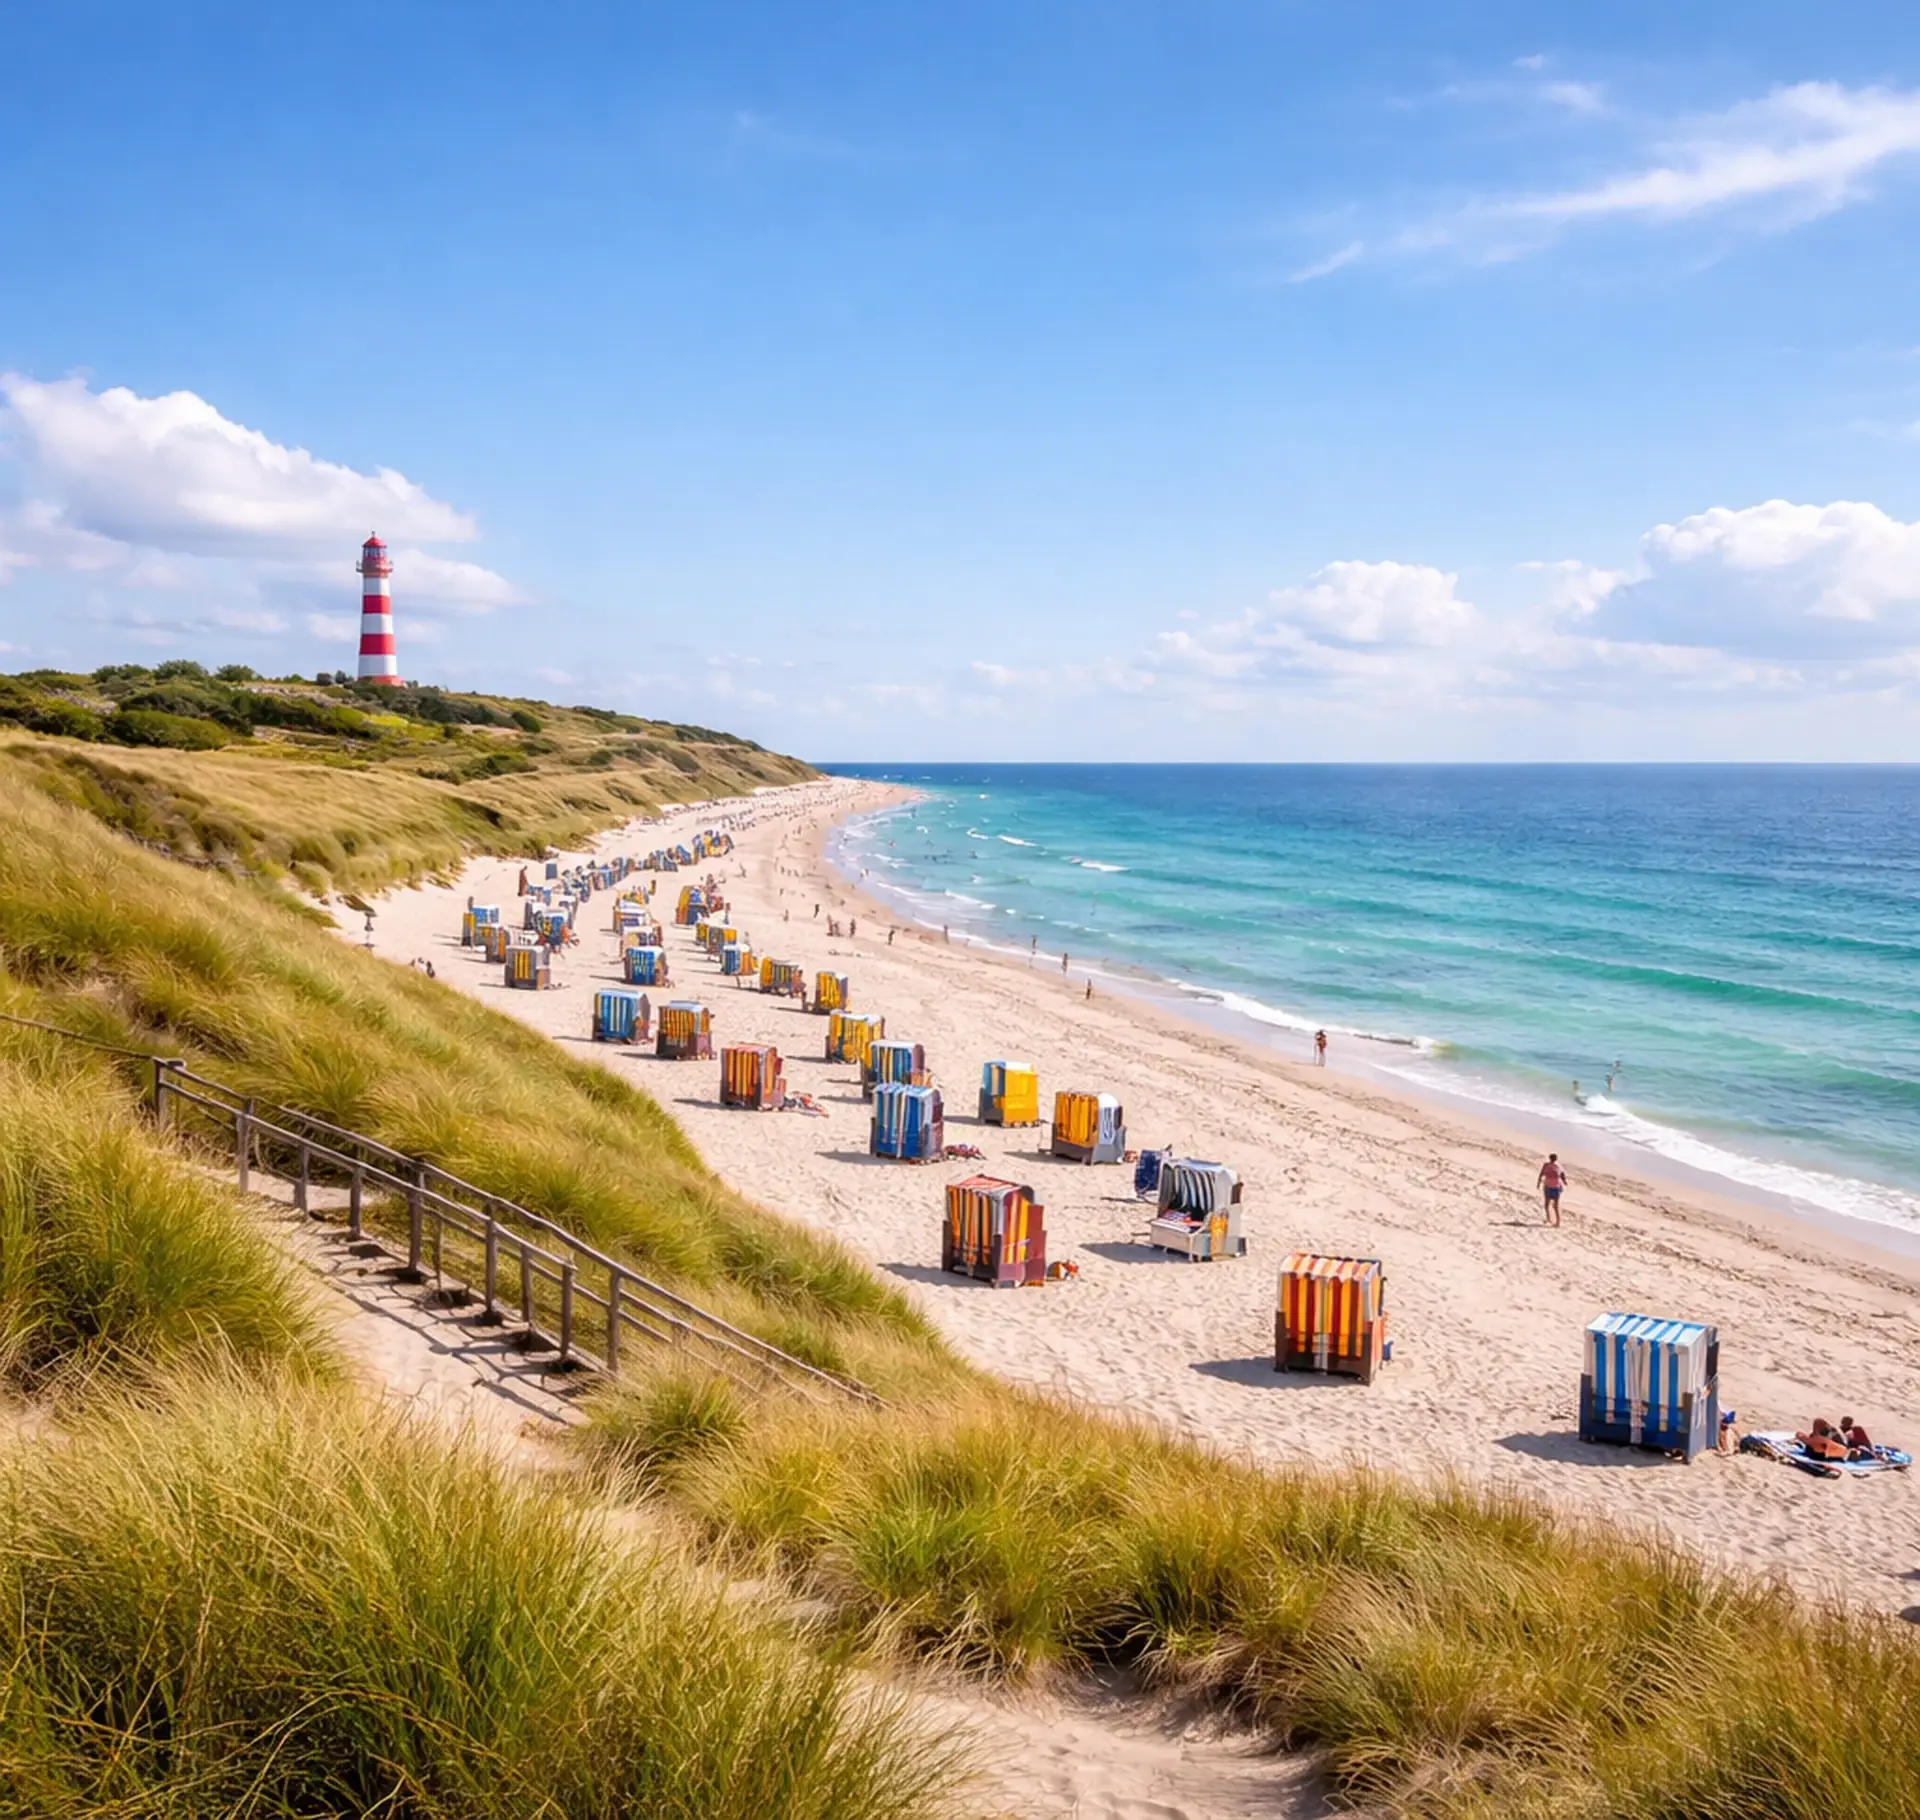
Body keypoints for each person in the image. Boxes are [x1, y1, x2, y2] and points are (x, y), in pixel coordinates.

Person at [1536, 1154, 1566, 1226]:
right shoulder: (1559, 1166)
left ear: (1550, 1158)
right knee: (1555, 1205)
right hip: (1556, 1187)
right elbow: (1562, 1176)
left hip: (1548, 1186)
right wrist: (1564, 1183)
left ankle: (1549, 1219)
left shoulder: (1546, 1165)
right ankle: (1557, 1222)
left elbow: (1541, 1174)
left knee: (1547, 1204)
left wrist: (1538, 1183)